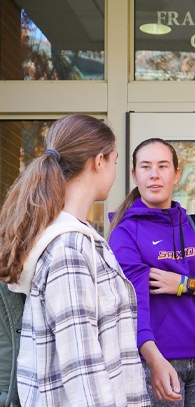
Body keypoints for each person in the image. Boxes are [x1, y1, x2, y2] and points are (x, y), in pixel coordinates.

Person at [0, 114, 150, 406]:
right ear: (98, 161)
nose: (116, 170)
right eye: (115, 160)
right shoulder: (70, 249)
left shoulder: (76, 240)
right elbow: (83, 373)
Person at [108, 138, 195, 407]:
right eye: (145, 167)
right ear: (134, 175)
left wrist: (185, 284)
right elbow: (134, 307)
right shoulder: (125, 233)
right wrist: (152, 358)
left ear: (176, 174)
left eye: (163, 166)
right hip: (158, 361)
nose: (154, 174)